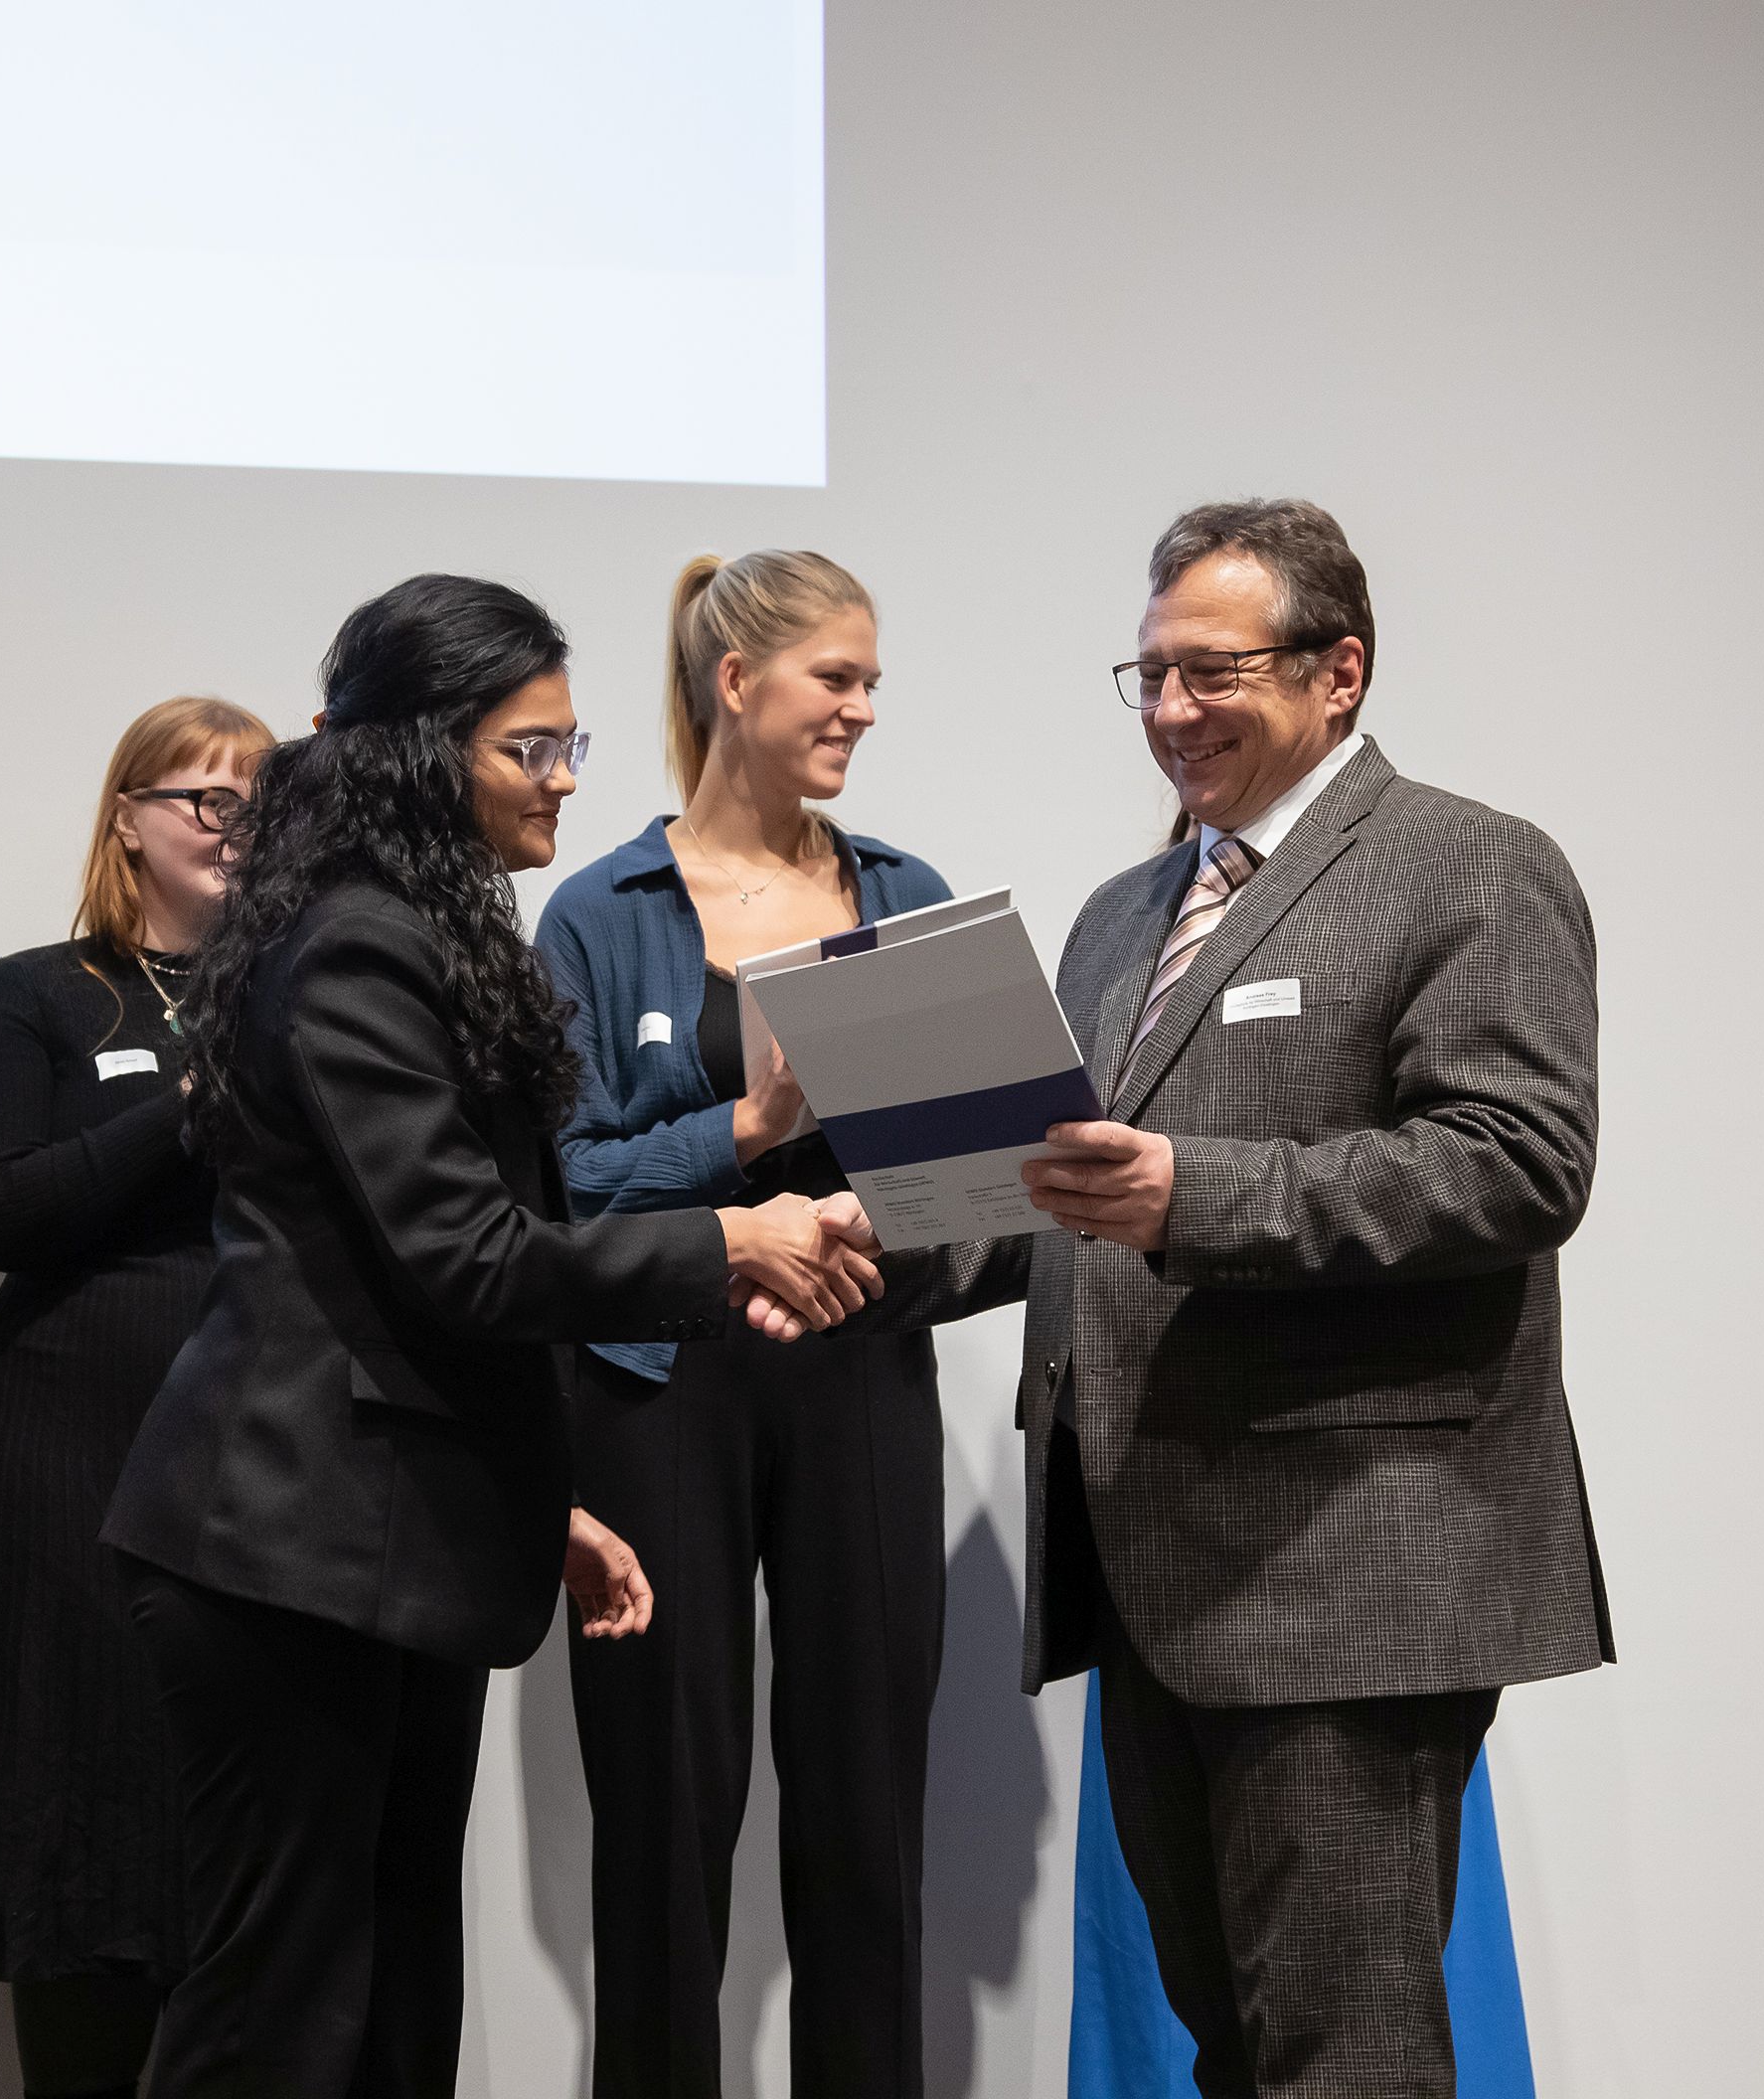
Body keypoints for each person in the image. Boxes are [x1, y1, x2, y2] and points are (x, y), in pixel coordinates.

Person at [99, 574, 885, 2099]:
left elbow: (413, 1282)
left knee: (392, 2016)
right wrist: (731, 1238)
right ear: (421, 751)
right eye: (530, 748)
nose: (565, 779)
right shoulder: (357, 945)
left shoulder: (417, 927)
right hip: (282, 1553)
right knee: (277, 2023)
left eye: (569, 744)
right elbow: (462, 1255)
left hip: (373, 1539)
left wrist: (539, 1506)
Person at [866, 500, 1610, 2097]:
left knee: (1342, 2054)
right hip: (1152, 1567)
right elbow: (1052, 1202)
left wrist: (1191, 1194)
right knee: (1229, 2050)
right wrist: (863, 1241)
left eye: (1213, 670)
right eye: (1148, 674)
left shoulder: (1470, 865)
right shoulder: (1122, 914)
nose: (1171, 708)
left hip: (1347, 1569)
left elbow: (1515, 1163)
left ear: (1340, 672)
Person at [535, 550, 951, 2097]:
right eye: (836, 677)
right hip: (656, 1388)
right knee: (662, 1821)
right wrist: (750, 1134)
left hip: (860, 1376)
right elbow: (561, 1190)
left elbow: (984, 1186)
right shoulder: (598, 914)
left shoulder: (904, 900)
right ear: (735, 681)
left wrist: (856, 1237)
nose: (862, 708)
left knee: (866, 1824)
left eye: (870, 682)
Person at [0, 695, 277, 2099]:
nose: (234, 828)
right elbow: (1, 1208)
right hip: (67, 1446)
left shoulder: (307, 1003)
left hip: (260, 1450)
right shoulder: (36, 994)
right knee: (75, 1800)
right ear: (126, 820)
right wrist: (189, 1108)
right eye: (205, 799)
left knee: (237, 1823)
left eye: (259, 805)